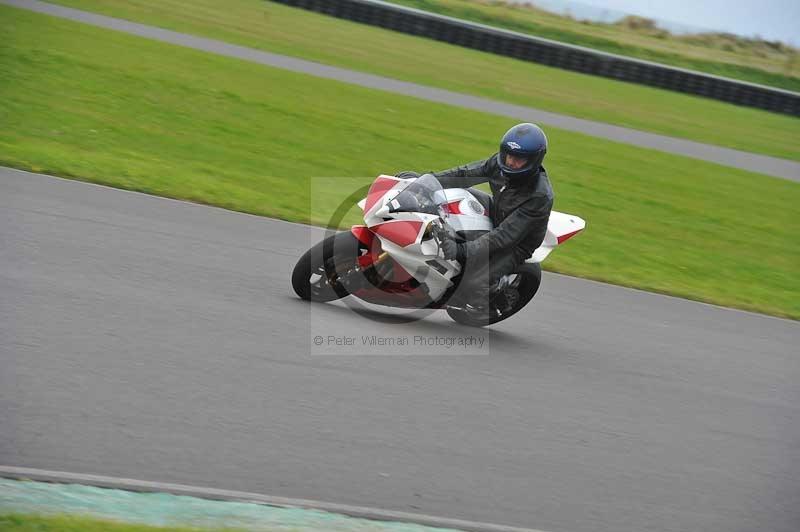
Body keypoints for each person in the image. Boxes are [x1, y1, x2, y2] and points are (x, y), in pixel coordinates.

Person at [400, 123, 554, 311]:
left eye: (518, 159)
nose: (511, 161)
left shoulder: (539, 197)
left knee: (472, 285)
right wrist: (423, 181)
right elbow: (464, 174)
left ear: (533, 161)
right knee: (447, 198)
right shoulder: (499, 164)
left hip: (518, 242)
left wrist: (460, 250)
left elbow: (504, 237)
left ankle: (496, 295)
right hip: (497, 209)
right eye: (509, 154)